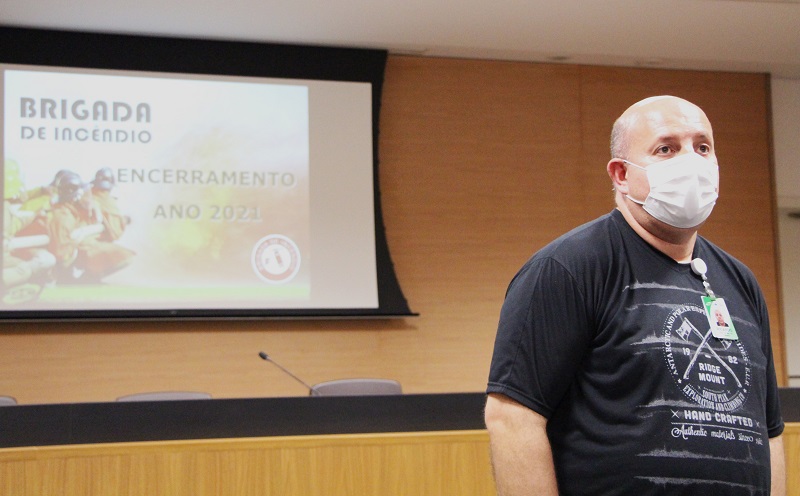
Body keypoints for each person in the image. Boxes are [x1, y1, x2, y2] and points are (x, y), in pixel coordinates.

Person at [485, 96, 785, 495]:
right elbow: (513, 416)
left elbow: (769, 431)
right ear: (621, 174)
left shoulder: (741, 282)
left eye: (702, 147)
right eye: (666, 149)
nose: (691, 161)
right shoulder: (570, 268)